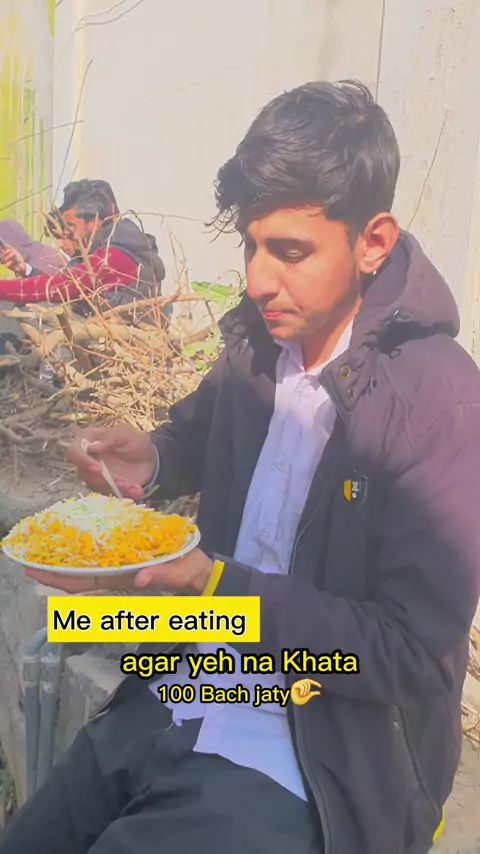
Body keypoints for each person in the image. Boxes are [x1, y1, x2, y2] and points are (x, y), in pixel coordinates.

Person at [2, 80, 480, 854]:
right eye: (251, 245)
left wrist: (219, 588)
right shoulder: (259, 345)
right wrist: (153, 454)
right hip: (187, 686)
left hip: (315, 751)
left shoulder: (439, 406)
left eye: (290, 252)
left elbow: (411, 655)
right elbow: (196, 436)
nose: (259, 279)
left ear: (373, 242)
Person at [0, 179, 168, 316]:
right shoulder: (107, 247)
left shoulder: (113, 257)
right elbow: (68, 287)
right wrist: (25, 269)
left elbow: (59, 287)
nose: (67, 234)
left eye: (71, 227)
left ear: (95, 222)